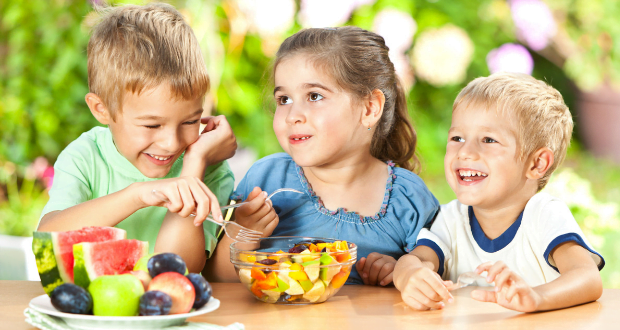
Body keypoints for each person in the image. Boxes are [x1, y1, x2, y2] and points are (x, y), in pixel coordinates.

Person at [204, 26, 439, 284]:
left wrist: (401, 270)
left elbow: (435, 268)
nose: (292, 115)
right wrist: (245, 231)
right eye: (284, 99)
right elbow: (219, 282)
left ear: (370, 108)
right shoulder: (266, 180)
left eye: (314, 96)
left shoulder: (408, 198)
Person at [37, 3, 237, 273]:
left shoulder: (208, 165)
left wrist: (193, 167)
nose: (172, 143)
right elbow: (48, 242)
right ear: (101, 109)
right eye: (152, 125)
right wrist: (137, 195)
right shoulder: (85, 156)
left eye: (190, 121)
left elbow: (178, 271)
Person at [393, 72, 605, 312]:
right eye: (457, 137)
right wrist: (409, 276)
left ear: (537, 164)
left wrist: (536, 298)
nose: (465, 152)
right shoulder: (452, 218)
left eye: (488, 140)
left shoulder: (544, 215)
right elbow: (417, 260)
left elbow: (587, 277)